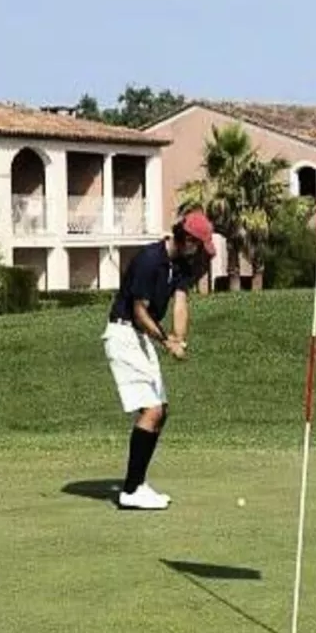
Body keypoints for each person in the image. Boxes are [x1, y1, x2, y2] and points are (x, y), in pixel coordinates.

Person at [102, 209, 216, 511]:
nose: (202, 256)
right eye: (201, 248)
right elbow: (139, 312)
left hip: (140, 337)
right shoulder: (150, 260)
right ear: (189, 240)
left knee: (160, 410)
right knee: (151, 410)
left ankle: (137, 484)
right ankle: (130, 490)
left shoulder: (177, 266)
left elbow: (180, 302)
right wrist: (167, 342)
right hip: (124, 334)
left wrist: (179, 338)